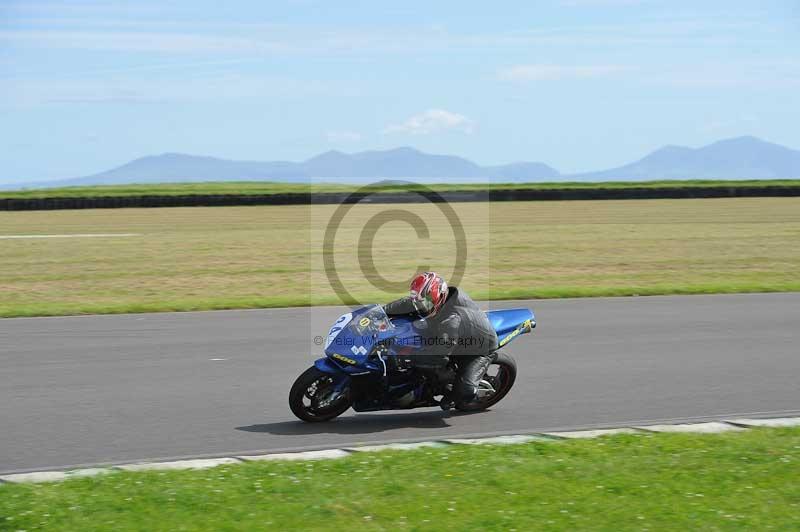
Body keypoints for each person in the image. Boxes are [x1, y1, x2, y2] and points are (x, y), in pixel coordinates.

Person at [383, 271, 498, 410]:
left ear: (439, 297)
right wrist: (382, 312)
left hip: (480, 348)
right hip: (457, 335)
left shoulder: (451, 321)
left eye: (427, 303)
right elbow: (410, 303)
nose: (422, 306)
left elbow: (439, 357)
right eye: (421, 301)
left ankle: (453, 396)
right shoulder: (435, 300)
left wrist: (405, 359)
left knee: (465, 390)